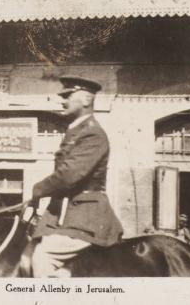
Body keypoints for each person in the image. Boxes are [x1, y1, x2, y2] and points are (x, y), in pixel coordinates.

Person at [30, 76, 123, 277]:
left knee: (43, 256)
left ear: (87, 100)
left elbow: (68, 175)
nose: (62, 100)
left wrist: (36, 190)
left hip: (86, 217)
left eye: (67, 96)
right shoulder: (75, 132)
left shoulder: (92, 134)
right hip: (64, 215)